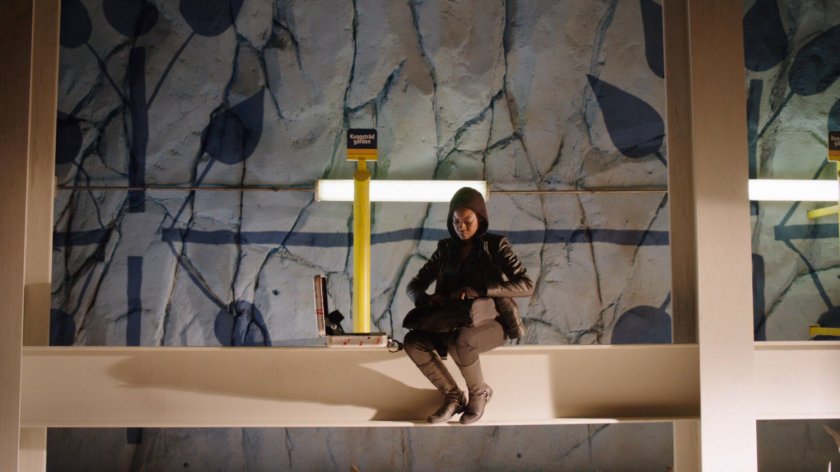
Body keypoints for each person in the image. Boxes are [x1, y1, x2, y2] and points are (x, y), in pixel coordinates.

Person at [403, 187, 534, 424]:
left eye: (467, 221)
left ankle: (480, 393)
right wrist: (428, 299)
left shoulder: (495, 245)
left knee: (461, 340)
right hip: (449, 321)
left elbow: (526, 285)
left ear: (480, 219)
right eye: (455, 221)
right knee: (413, 342)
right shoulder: (445, 248)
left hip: (490, 324)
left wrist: (484, 290)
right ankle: (453, 398)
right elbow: (414, 286)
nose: (461, 227)